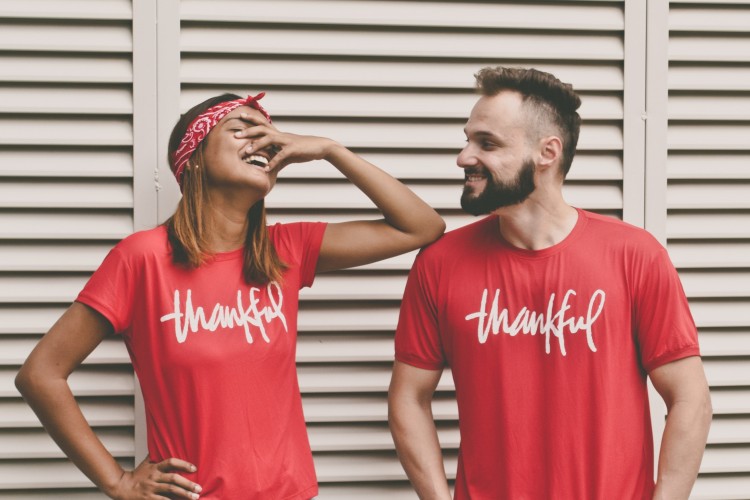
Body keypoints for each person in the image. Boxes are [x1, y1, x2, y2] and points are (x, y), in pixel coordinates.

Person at [15, 92, 445, 499]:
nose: (264, 140)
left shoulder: (285, 251)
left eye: (269, 134)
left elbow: (421, 226)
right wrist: (117, 481)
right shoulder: (141, 259)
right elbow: (41, 375)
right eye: (241, 128)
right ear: (194, 157)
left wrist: (331, 151)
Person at [388, 67, 712, 499]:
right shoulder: (439, 264)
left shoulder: (635, 256)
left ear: (547, 152)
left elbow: (691, 399)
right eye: (467, 140)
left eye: (487, 143)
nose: (464, 157)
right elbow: (408, 398)